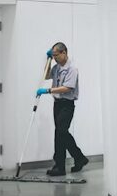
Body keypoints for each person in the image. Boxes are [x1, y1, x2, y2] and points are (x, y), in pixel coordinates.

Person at [36, 42, 89, 176]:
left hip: (67, 104)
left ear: (64, 53)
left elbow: (68, 88)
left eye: (55, 55)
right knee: (60, 133)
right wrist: (47, 60)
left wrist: (48, 90)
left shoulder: (72, 68)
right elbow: (46, 75)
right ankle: (77, 159)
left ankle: (61, 166)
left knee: (61, 132)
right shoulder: (56, 67)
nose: (55, 58)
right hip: (57, 103)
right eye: (52, 56)